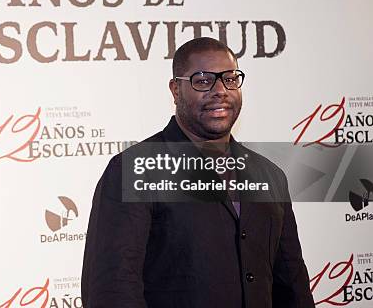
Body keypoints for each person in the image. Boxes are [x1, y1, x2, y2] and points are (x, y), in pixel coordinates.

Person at [81, 37, 314, 308]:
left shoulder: (269, 175)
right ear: (176, 90)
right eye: (203, 81)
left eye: (230, 79)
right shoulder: (133, 170)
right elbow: (112, 291)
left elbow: (292, 284)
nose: (220, 90)